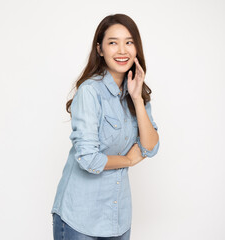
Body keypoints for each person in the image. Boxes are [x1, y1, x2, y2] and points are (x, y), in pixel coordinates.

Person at [50, 13, 160, 240]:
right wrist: (128, 160)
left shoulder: (136, 92)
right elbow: (88, 159)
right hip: (79, 218)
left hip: (117, 218)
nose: (122, 50)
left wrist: (137, 99)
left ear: (136, 48)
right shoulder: (90, 92)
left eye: (129, 42)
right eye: (113, 43)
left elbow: (150, 146)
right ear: (100, 49)